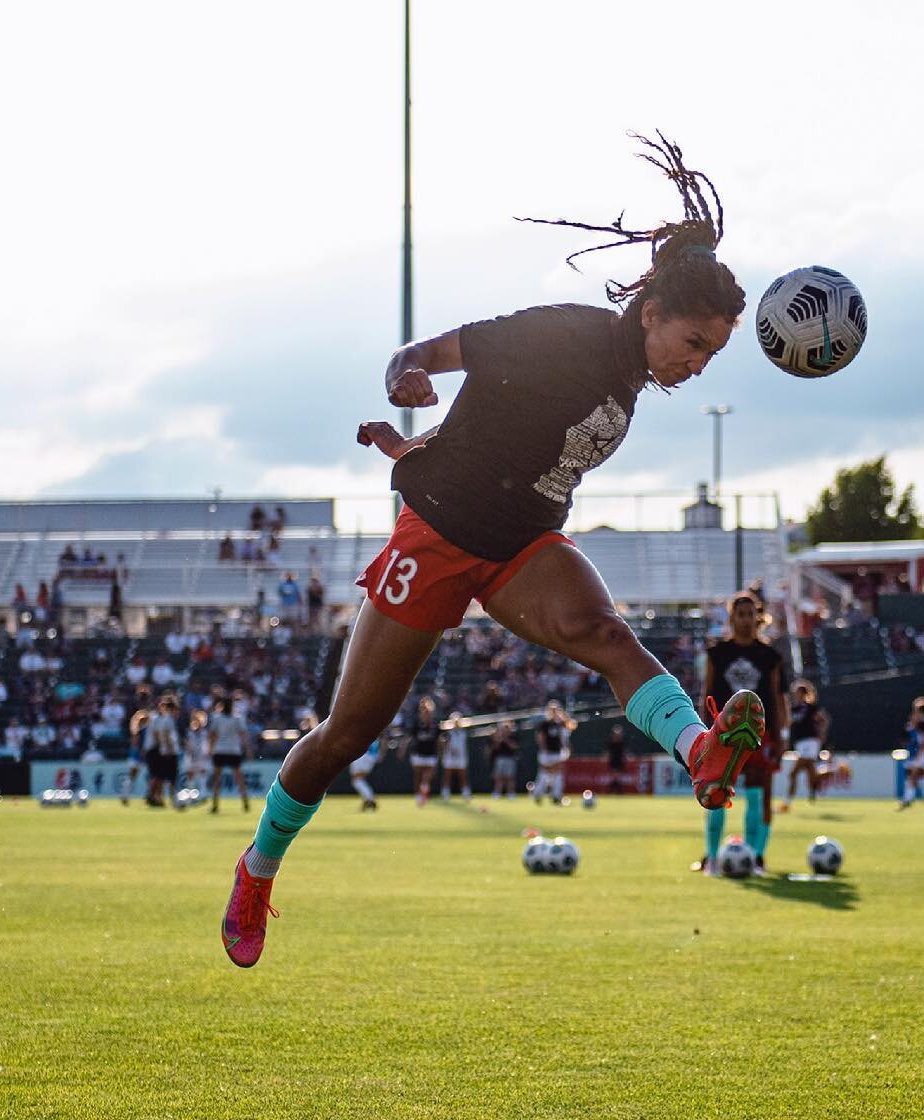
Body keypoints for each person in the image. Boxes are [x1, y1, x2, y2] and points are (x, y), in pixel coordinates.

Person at [222, 133, 764, 965]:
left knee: (608, 636)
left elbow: (511, 446)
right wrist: (408, 376)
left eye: (712, 354)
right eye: (693, 344)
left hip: (522, 548)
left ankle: (701, 753)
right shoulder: (567, 337)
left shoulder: (628, 374)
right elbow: (430, 353)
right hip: (437, 539)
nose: (697, 366)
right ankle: (259, 867)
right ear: (652, 315)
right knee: (348, 734)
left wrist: (419, 449)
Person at [693, 592, 785, 876]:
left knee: (759, 792)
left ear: (758, 618)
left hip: (760, 733)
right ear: (731, 619)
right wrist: (702, 729)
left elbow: (776, 695)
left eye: (750, 615)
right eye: (740, 615)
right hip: (723, 734)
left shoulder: (769, 655)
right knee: (716, 792)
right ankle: (711, 858)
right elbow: (706, 692)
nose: (746, 620)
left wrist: (780, 735)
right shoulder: (717, 653)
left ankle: (755, 858)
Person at [781, 680, 827, 809]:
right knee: (811, 772)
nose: (794, 695)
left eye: (796, 692)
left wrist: (822, 733)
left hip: (810, 741)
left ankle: (787, 802)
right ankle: (818, 787)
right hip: (800, 743)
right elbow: (788, 723)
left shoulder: (810, 707)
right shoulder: (793, 709)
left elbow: (824, 719)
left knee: (793, 773)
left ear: (802, 693)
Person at [208, 695, 250, 813]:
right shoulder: (237, 718)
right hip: (233, 750)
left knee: (216, 779)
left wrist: (210, 749)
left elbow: (212, 735)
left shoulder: (217, 718)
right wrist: (247, 749)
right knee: (239, 778)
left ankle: (215, 805)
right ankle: (245, 802)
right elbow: (243, 735)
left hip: (220, 750)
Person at [533, 699, 576, 806]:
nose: (554, 712)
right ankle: (538, 794)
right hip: (547, 753)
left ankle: (556, 796)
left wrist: (564, 717)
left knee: (557, 774)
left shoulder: (559, 724)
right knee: (544, 773)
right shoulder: (544, 724)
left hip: (557, 752)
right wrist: (544, 750)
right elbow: (540, 738)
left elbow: (571, 727)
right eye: (552, 710)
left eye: (555, 710)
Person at [142, 695, 181, 808]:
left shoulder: (161, 718)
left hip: (157, 749)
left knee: (159, 776)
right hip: (156, 749)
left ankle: (155, 797)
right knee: (158, 775)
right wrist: (166, 748)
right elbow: (159, 734)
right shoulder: (159, 718)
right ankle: (154, 796)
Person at [407, 695, 440, 806]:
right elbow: (410, 737)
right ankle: (418, 796)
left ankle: (424, 794)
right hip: (418, 753)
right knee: (418, 776)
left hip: (431, 754)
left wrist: (440, 752)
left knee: (427, 777)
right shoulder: (417, 723)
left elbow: (439, 739)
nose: (426, 713)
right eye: (424, 710)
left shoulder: (435, 724)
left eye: (428, 711)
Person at [440, 711, 472, 801]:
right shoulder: (448, 733)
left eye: (458, 721)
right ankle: (445, 793)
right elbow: (443, 743)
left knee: (463, 776)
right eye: (454, 721)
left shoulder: (463, 733)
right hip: (449, 757)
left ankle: (466, 794)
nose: (456, 723)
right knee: (447, 776)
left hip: (461, 757)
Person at [348, 736, 382, 812]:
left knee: (356, 780)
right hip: (372, 755)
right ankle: (368, 800)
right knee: (359, 780)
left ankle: (370, 800)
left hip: (364, 754)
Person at [489, 720, 518, 799]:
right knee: (498, 777)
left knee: (510, 777)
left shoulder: (513, 736)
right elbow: (494, 748)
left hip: (510, 758)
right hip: (500, 759)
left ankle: (511, 794)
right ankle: (497, 793)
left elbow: (514, 747)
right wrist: (499, 739)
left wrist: (506, 740)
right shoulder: (498, 737)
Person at [605, 722, 629, 795]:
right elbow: (608, 752)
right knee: (616, 776)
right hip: (614, 760)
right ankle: (615, 790)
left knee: (618, 776)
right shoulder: (611, 742)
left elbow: (624, 751)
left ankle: (615, 789)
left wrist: (626, 757)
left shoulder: (622, 742)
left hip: (620, 760)